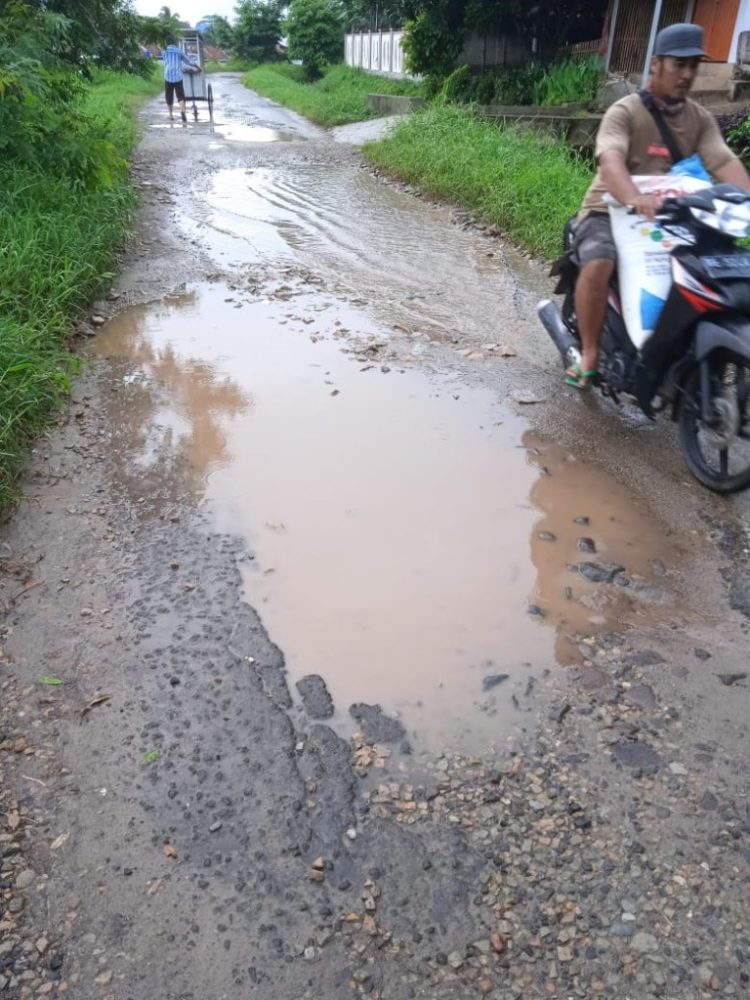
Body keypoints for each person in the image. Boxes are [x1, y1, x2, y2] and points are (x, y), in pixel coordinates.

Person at [566, 22, 750, 389]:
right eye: (677, 65)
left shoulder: (699, 118)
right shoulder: (625, 111)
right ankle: (589, 354)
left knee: (713, 266)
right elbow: (611, 160)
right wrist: (633, 196)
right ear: (656, 64)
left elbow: (723, 161)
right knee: (600, 258)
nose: (686, 75)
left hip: (672, 213)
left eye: (692, 66)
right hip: (610, 208)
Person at [162, 34, 199, 124]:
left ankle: (170, 115)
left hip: (168, 76)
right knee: (180, 96)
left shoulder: (164, 52)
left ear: (166, 43)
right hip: (178, 76)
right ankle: (182, 111)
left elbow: (165, 61)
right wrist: (197, 67)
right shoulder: (179, 51)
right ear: (174, 42)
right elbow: (188, 61)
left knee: (169, 96)